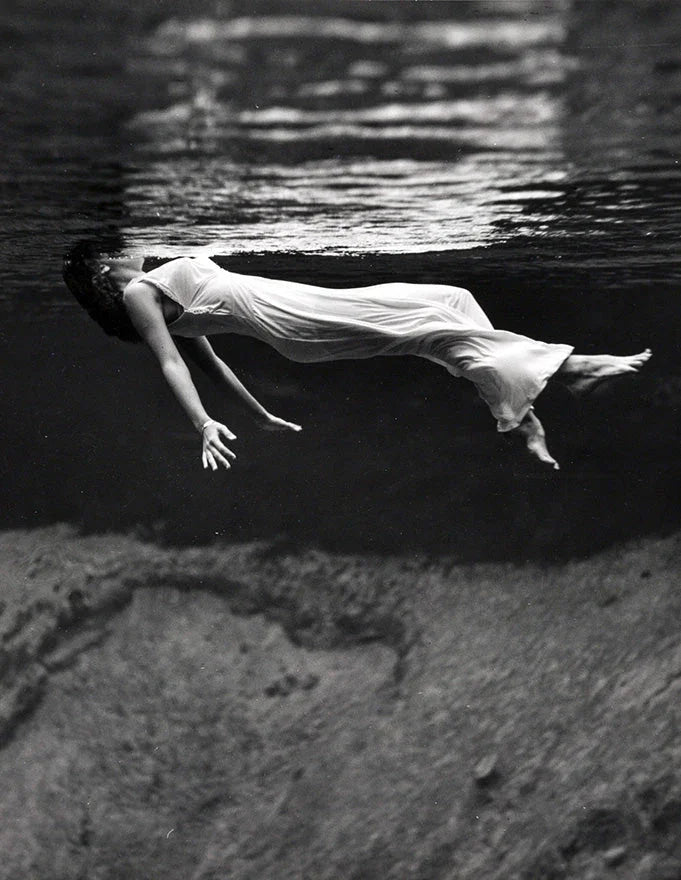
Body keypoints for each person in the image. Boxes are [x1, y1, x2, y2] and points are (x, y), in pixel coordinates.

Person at [63, 242, 651, 472]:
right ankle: (572, 372)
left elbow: (214, 364)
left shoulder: (154, 282)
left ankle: (519, 409)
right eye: (120, 248)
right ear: (105, 268)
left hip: (300, 309)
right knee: (434, 329)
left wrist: (259, 413)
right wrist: (202, 422)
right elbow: (178, 363)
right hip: (294, 321)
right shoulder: (142, 294)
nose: (133, 245)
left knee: (450, 300)